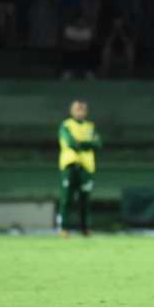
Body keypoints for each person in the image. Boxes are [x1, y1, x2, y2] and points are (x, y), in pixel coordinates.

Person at [57, 100, 102, 236]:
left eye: (82, 110)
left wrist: (81, 142)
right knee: (66, 199)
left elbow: (98, 144)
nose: (80, 112)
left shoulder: (90, 126)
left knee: (85, 200)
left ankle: (86, 229)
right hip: (69, 166)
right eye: (77, 109)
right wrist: (87, 144)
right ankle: (64, 228)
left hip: (86, 167)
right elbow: (70, 143)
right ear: (72, 111)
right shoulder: (66, 125)